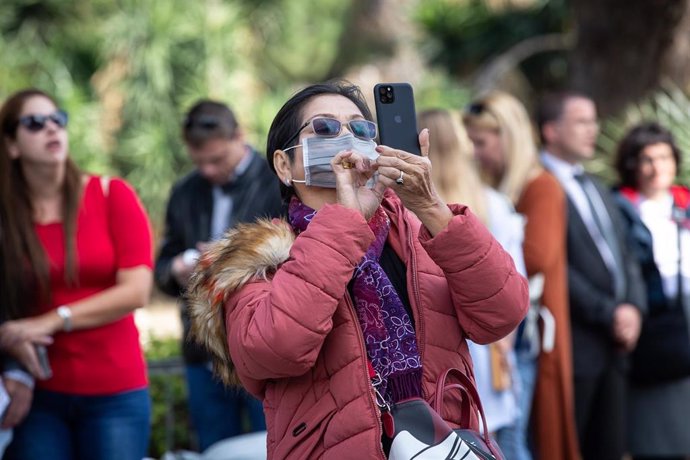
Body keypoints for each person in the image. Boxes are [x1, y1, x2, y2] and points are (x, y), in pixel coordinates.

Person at [186, 80, 529, 459]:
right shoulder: (255, 262)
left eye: (361, 128)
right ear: (284, 165)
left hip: (441, 443)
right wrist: (346, 221)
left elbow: (502, 314)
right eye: (325, 128)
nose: (347, 137)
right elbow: (274, 351)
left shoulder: (421, 234)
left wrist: (431, 207)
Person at [0, 89, 154, 460]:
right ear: (12, 145)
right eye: (34, 123)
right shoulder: (6, 218)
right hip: (40, 397)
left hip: (116, 396)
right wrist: (12, 365)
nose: (51, 128)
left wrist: (52, 321)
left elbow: (136, 291)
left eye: (58, 119)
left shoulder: (111, 194)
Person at [154, 100, 282, 450]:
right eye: (200, 163)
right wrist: (178, 268)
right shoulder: (184, 191)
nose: (208, 171)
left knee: (273, 447)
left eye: (217, 160)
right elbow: (161, 269)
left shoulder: (278, 179)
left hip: (263, 346)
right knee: (213, 449)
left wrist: (228, 263)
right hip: (203, 350)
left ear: (239, 136)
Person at [463, 92, 580, 460]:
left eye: (481, 142)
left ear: (507, 137)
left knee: (511, 442)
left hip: (520, 331)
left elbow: (537, 256)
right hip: (505, 328)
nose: (475, 152)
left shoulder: (538, 186)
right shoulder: (499, 189)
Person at [537, 91, 646, 460]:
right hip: (573, 344)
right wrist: (608, 312)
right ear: (551, 130)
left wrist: (632, 307)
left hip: (616, 346)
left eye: (593, 120)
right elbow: (552, 267)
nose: (593, 130)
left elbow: (625, 255)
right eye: (581, 121)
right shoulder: (537, 185)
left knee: (612, 448)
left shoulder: (597, 185)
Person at [418, 108, 526, 452]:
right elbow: (513, 279)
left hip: (441, 366)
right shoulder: (494, 204)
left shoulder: (407, 214)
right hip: (492, 348)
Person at [613, 122, 690, 459]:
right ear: (632, 164)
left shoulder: (685, 203)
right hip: (648, 329)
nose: (657, 167)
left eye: (664, 156)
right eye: (647, 158)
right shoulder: (620, 209)